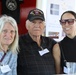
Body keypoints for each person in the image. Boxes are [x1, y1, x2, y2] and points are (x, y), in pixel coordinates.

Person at [17, 8, 60, 75]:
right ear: (27, 25)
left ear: (44, 26)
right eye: (33, 22)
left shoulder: (50, 42)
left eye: (40, 22)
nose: (37, 25)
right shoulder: (18, 42)